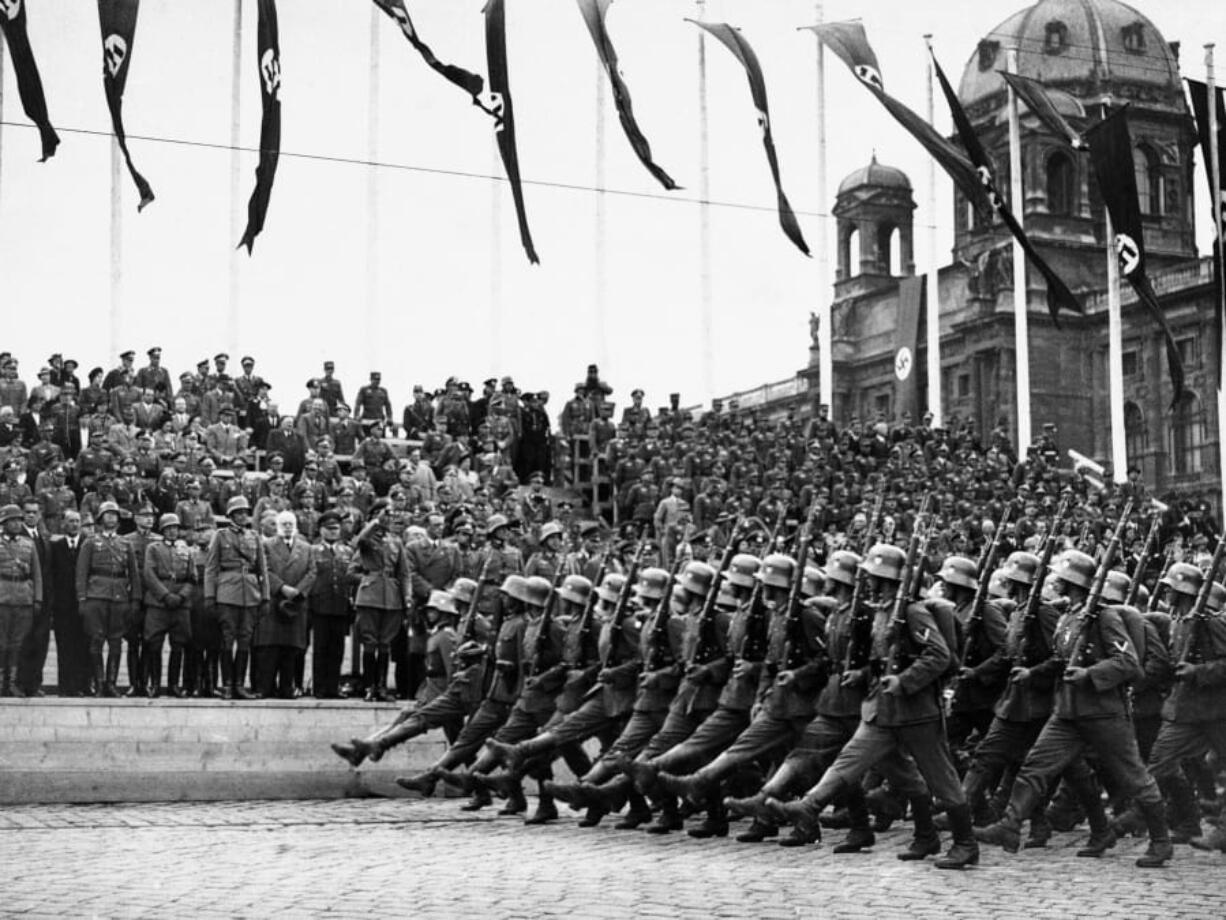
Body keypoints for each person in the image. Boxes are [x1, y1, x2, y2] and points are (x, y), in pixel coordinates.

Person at [976, 549, 1173, 868]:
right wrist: (1033, 673)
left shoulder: (1104, 616)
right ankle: (1010, 826)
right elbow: (1060, 660)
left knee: (1134, 778)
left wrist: (1089, 674)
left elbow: (1127, 663)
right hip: (1068, 711)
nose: (1056, 582)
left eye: (1062, 578)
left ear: (1073, 582)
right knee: (1035, 766)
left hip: (1104, 713)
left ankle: (1161, 841)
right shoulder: (1070, 615)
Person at [204, 496, 270, 700]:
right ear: (231, 515)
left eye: (245, 512)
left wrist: (265, 596)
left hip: (250, 593)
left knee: (245, 640)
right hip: (227, 592)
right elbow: (211, 567)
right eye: (238, 512)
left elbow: (263, 569)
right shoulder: (221, 535)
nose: (243, 516)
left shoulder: (254, 536)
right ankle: (227, 685)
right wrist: (210, 595)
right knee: (227, 639)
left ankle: (240, 684)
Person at [76, 501, 140, 697]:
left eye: (114, 514)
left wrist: (135, 598)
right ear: (100, 519)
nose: (111, 517)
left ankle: (111, 683)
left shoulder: (125, 544)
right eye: (107, 514)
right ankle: (99, 682)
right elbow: (81, 572)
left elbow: (134, 574)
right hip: (96, 595)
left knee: (115, 641)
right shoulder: (90, 542)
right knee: (96, 640)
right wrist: (82, 598)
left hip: (119, 596)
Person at [350, 505, 410, 702]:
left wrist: (406, 597)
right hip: (370, 594)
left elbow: (404, 572)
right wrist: (374, 522)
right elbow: (359, 541)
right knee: (369, 641)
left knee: (385, 642)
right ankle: (369, 686)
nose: (387, 519)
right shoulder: (369, 538)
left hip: (391, 596)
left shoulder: (396, 542)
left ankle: (382, 686)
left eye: (390, 516)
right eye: (384, 515)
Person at [257, 510, 315, 699]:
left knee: (291, 649)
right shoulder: (266, 545)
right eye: (284, 523)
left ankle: (286, 688)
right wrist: (282, 588)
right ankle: (266, 688)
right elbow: (264, 569)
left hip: (296, 604)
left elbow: (312, 572)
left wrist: (298, 591)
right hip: (275, 601)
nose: (288, 527)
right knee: (271, 648)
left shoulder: (306, 548)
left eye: (291, 523)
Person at [142, 514, 195, 697]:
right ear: (163, 530)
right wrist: (165, 596)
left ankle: (173, 684)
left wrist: (181, 596)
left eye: (175, 527)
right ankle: (155, 684)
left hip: (180, 604)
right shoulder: (153, 548)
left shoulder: (186, 549)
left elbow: (192, 577)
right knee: (154, 643)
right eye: (169, 528)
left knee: (178, 644)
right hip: (158, 603)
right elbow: (149, 574)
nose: (173, 531)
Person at [309, 510, 355, 699]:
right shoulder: (313, 551)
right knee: (320, 648)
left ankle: (333, 687)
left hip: (340, 604)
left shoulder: (347, 551)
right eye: (329, 529)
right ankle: (319, 687)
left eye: (336, 529)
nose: (333, 532)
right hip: (320, 604)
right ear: (321, 530)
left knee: (337, 648)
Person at [0, 504, 43, 696]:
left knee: (18, 643)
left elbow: (37, 574)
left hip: (24, 597)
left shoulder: (29, 544)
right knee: (2, 642)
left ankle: (12, 682)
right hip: (2, 596)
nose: (17, 524)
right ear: (4, 523)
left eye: (19, 520)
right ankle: (2, 681)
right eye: (12, 521)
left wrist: (38, 599)